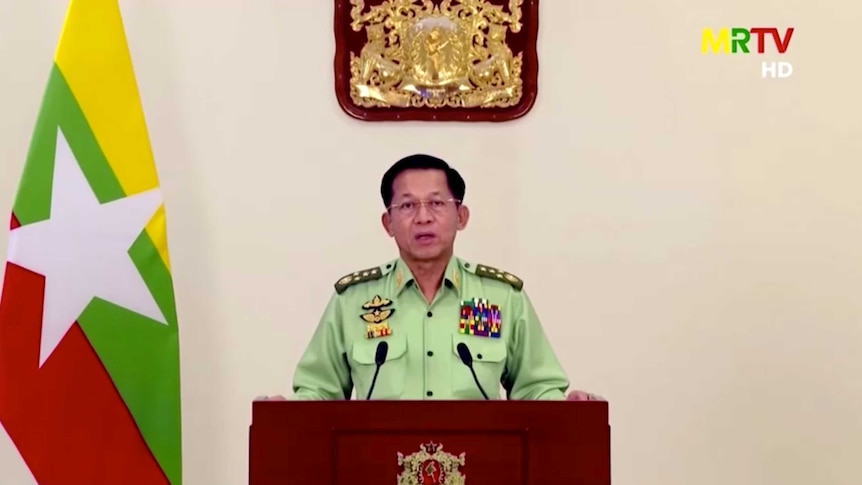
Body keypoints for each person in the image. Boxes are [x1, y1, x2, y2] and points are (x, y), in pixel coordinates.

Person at [265, 154, 603, 401]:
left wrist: (564, 408)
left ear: (461, 216)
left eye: (437, 203)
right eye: (408, 206)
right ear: (388, 223)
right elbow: (320, 391)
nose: (423, 217)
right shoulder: (352, 301)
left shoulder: (503, 298)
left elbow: (536, 388)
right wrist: (287, 414)